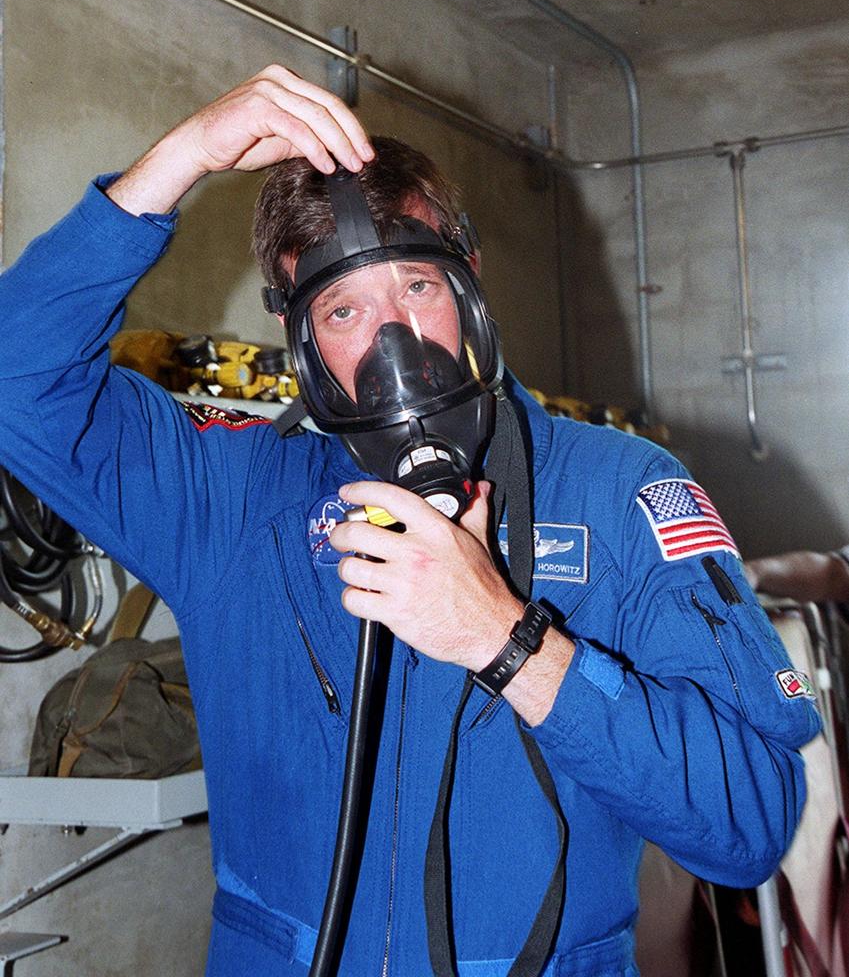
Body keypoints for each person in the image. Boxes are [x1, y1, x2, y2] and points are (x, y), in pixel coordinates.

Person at [0, 64, 821, 977]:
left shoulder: (621, 492)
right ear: (303, 345)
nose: (394, 338)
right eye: (345, 308)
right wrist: (178, 161)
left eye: (418, 289)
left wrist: (512, 645)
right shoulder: (230, 496)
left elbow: (750, 825)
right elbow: (15, 376)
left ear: (469, 286)